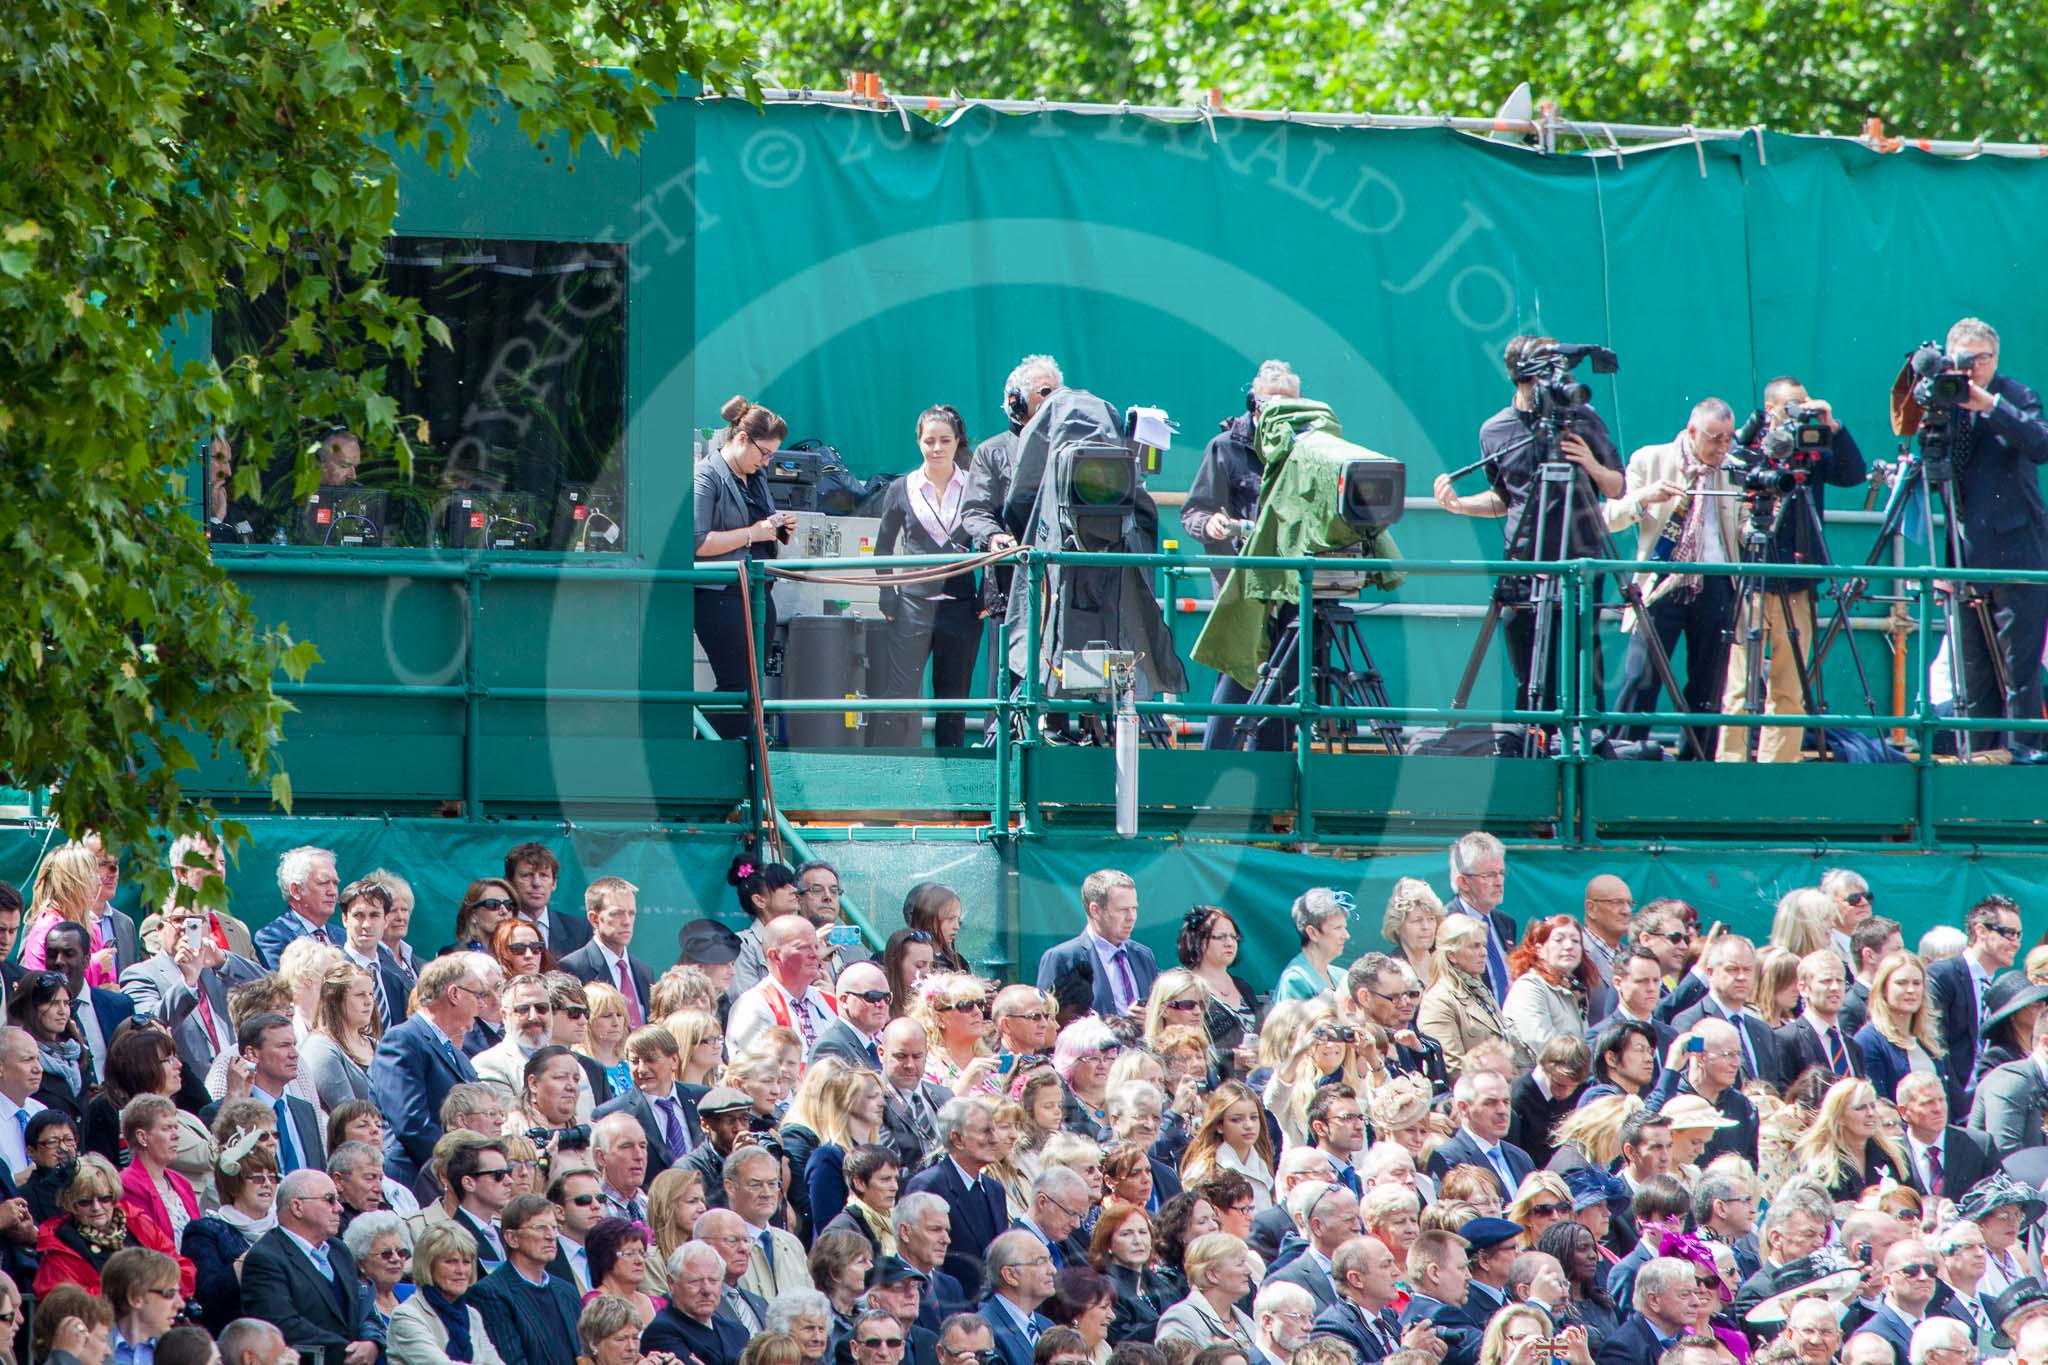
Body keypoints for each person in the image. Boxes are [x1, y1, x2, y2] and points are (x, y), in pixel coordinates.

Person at [1435, 337, 1625, 727]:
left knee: (1583, 668)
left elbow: (1615, 487)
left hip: (1581, 561)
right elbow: (1504, 498)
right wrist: (1458, 505)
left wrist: (1590, 462)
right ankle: (1531, 745)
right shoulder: (1495, 430)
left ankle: (1592, 747)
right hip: (1524, 562)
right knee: (1529, 670)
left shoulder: (1583, 418)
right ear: (1520, 379)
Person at [1717, 376, 1869, 760]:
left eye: (1803, 403)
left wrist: (1832, 426)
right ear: (1770, 410)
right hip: (1754, 576)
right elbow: (1732, 468)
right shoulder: (1750, 445)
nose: (1799, 412)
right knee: (1739, 686)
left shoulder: (1811, 448)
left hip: (1798, 580)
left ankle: (1778, 768)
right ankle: (1730, 765)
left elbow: (1852, 475)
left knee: (1790, 687)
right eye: (1791, 405)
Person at [1930, 318, 2048, 756]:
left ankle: (2020, 769)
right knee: (1973, 676)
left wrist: (1989, 405)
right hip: (1964, 555)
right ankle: (1977, 769)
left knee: (2019, 673)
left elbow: (2041, 444)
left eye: (1984, 358)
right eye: (1967, 358)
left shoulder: (2015, 396)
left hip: (2018, 554)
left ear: (1996, 359)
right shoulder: (1943, 402)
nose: (1975, 366)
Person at [1603, 397, 1742, 759]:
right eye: (1715, 438)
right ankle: (1621, 756)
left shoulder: (1734, 468)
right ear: (1692, 431)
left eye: (1729, 438)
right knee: (1640, 676)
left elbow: (1741, 526)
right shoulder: (1651, 459)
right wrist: (1645, 498)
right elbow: (1611, 517)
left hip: (1715, 580)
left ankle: (1697, 763)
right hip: (1660, 580)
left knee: (1709, 683)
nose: (1723, 447)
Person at [1183, 360, 1304, 751]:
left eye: (1293, 406)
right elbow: (1194, 511)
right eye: (1276, 405)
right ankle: (1212, 781)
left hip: (1293, 585)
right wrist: (1212, 527)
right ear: (1255, 405)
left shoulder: (1308, 449)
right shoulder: (1224, 448)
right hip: (1242, 588)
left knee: (1286, 690)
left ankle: (1272, 797)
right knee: (1235, 683)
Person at [870, 404, 983, 749]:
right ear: (918, 442)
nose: (937, 448)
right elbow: (883, 549)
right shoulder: (901, 489)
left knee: (954, 699)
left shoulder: (976, 487)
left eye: (945, 440)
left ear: (957, 441)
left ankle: (952, 791)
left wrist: (985, 598)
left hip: (961, 608)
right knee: (899, 694)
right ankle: (891, 775)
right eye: (929, 440)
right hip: (912, 607)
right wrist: (887, 596)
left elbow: (994, 542)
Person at [694, 396, 795, 739]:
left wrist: (778, 527)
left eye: (771, 455)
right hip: (721, 594)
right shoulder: (707, 476)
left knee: (750, 686)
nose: (766, 462)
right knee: (737, 684)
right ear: (740, 439)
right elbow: (697, 543)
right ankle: (709, 759)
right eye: (764, 453)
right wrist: (752, 534)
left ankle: (732, 765)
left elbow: (758, 527)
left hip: (756, 591)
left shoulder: (756, 478)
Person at [238, 1168, 375, 1365]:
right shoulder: (265, 1258)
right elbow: (282, 1326)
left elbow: (365, 1303)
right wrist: (350, 1352)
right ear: (297, 1207)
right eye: (329, 1199)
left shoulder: (339, 1250)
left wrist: (372, 1342)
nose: (339, 1208)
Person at [371, 954, 484, 1189]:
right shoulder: (403, 1040)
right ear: (454, 994)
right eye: (478, 995)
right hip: (417, 1181)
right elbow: (412, 1123)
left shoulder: (458, 1055)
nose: (481, 1005)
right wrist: (458, 1167)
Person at [467, 1193, 584, 1365]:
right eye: (540, 1228)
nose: (551, 1236)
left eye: (554, 1228)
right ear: (512, 1238)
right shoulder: (489, 1293)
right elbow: (510, 1360)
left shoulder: (567, 1291)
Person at [1926, 895, 2023, 1101]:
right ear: (1981, 931)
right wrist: (1958, 1103)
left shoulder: (2002, 988)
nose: (2015, 943)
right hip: (1952, 1100)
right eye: (2009, 933)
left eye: (2019, 935)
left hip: (1987, 1097)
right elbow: (1936, 1046)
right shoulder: (1944, 975)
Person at [1419, 914, 1528, 1079]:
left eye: (1484, 945)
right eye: (1475, 946)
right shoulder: (1438, 1001)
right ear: (1452, 955)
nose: (1484, 952)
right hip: (1479, 1096)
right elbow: (1452, 1068)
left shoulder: (1481, 990)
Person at [1037, 872, 1158, 1019]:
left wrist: (1150, 1018)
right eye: (1122, 910)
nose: (1131, 917)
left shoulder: (1143, 955)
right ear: (1095, 910)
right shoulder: (1062, 958)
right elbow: (1047, 1019)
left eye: (1134, 908)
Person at [389, 1221, 508, 1364]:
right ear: (428, 1265)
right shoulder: (407, 1316)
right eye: (451, 1262)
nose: (461, 1270)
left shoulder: (472, 1315)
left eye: (466, 1262)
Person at [728, 916, 838, 1059]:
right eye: (803, 947)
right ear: (775, 955)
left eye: (816, 946)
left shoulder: (830, 1002)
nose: (814, 954)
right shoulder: (752, 1005)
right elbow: (756, 1072)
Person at [1855, 950, 1950, 1109]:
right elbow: (1878, 1103)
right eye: (1901, 983)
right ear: (1883, 989)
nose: (1911, 990)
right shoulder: (1868, 1041)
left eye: (1917, 983)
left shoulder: (1930, 1040)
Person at [1791, 1078, 1909, 1202]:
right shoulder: (1821, 1169)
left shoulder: (1895, 1156)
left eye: (1873, 1106)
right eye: (1860, 1108)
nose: (1871, 1113)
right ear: (1839, 1117)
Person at [562, 878, 655, 1032]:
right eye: (617, 913)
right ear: (594, 918)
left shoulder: (643, 971)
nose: (626, 921)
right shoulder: (573, 968)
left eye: (631, 913)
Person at [1427, 1071, 1533, 1201]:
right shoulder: (1449, 1158)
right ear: (1464, 1108)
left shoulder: (1520, 1158)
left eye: (1506, 1102)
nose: (1502, 1110)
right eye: (1490, 1102)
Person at [981, 1230, 1059, 1365]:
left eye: (1050, 1260)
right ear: (1010, 1275)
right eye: (1041, 1261)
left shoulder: (1047, 1326)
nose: (1053, 1269)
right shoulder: (984, 1330)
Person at [503, 842, 591, 961]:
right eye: (527, 875)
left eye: (544, 875)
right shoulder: (499, 929)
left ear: (554, 883)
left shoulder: (580, 930)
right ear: (509, 882)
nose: (536, 883)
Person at [1273, 889, 1350, 1002]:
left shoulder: (1342, 976)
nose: (1346, 935)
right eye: (1337, 928)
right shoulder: (1296, 980)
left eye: (1345, 928)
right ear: (1312, 933)